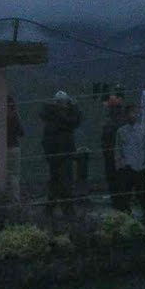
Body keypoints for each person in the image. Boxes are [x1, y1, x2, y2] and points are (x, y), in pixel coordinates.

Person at [40, 90, 82, 223]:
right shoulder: (63, 120)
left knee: (55, 182)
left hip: (56, 155)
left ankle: (50, 209)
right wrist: (74, 107)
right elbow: (74, 121)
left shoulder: (51, 117)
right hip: (62, 154)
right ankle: (67, 211)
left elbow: (45, 140)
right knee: (65, 183)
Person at [113, 103, 145, 228]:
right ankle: (125, 217)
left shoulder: (144, 131)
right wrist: (119, 164)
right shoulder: (121, 131)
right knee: (125, 195)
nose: (133, 115)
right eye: (131, 113)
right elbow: (118, 148)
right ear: (126, 115)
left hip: (140, 167)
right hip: (127, 167)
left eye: (135, 113)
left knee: (143, 195)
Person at [100, 93, 126, 209]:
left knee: (115, 181)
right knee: (119, 181)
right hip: (116, 154)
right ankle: (121, 204)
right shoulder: (122, 119)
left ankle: (118, 205)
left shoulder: (111, 121)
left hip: (113, 154)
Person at [6, 93, 25, 204]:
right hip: (15, 147)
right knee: (15, 175)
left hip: (3, 148)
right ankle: (15, 199)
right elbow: (21, 132)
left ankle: (6, 196)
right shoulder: (14, 116)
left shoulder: (0, 117)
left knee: (6, 174)